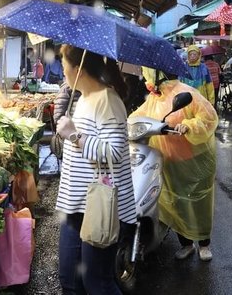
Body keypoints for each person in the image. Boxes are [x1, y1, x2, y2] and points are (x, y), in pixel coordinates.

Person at [54, 45, 137, 295]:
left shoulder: (107, 101)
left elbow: (113, 153)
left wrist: (74, 135)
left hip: (101, 208)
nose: (63, 70)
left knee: (97, 282)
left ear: (78, 69)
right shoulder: (83, 100)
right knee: (70, 280)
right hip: (76, 206)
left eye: (64, 65)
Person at [130, 67, 218, 262]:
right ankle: (186, 244)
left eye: (148, 73)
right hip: (169, 161)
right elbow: (138, 116)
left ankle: (204, 243)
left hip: (193, 161)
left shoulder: (185, 93)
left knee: (198, 204)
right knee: (177, 204)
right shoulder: (154, 99)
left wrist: (190, 125)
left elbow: (209, 117)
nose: (146, 77)